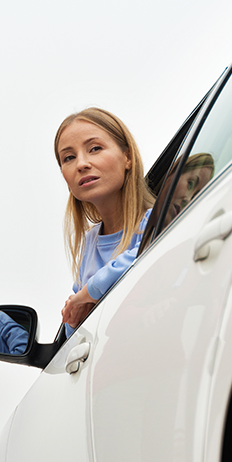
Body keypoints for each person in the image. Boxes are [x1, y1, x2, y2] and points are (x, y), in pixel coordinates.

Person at [56, 108, 152, 331]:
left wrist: (87, 293)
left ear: (127, 157)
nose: (81, 164)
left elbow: (143, 256)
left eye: (95, 149)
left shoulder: (157, 219)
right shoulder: (89, 243)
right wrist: (72, 318)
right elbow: (75, 331)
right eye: (68, 157)